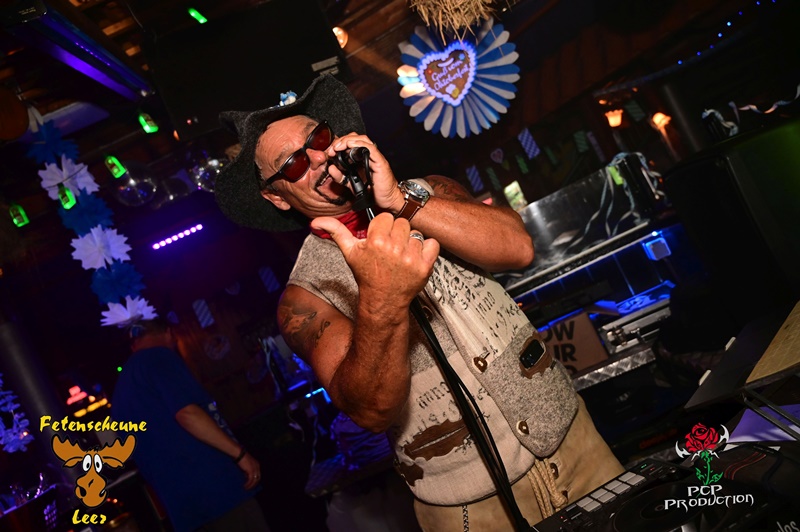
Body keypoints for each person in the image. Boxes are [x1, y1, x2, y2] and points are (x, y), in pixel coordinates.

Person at [214, 74, 624, 530]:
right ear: (277, 196)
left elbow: (518, 247)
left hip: (575, 445)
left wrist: (400, 201)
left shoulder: (428, 191)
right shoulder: (304, 296)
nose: (318, 159)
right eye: (293, 164)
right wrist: (383, 301)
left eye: (319, 139)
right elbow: (371, 410)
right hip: (470, 509)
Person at [111, 318, 270, 532]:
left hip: (183, 510)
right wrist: (240, 454)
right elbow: (187, 413)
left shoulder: (120, 390)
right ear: (169, 333)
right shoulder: (159, 357)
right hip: (216, 491)